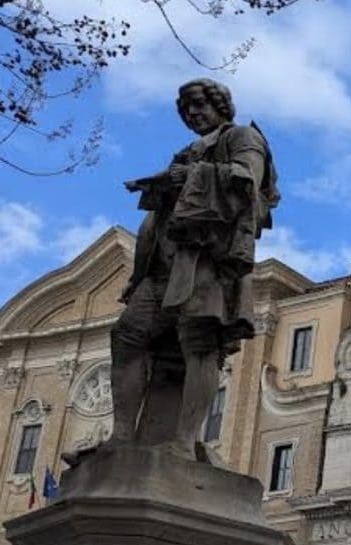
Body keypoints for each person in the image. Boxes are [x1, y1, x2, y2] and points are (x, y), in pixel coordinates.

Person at [69, 78, 278, 465]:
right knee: (128, 335)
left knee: (199, 345)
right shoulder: (185, 152)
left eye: (199, 105)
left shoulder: (244, 136)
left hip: (205, 262)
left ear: (220, 105)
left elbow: (249, 180)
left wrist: (192, 176)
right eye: (186, 110)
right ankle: (121, 436)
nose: (193, 114)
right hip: (163, 267)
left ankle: (183, 442)